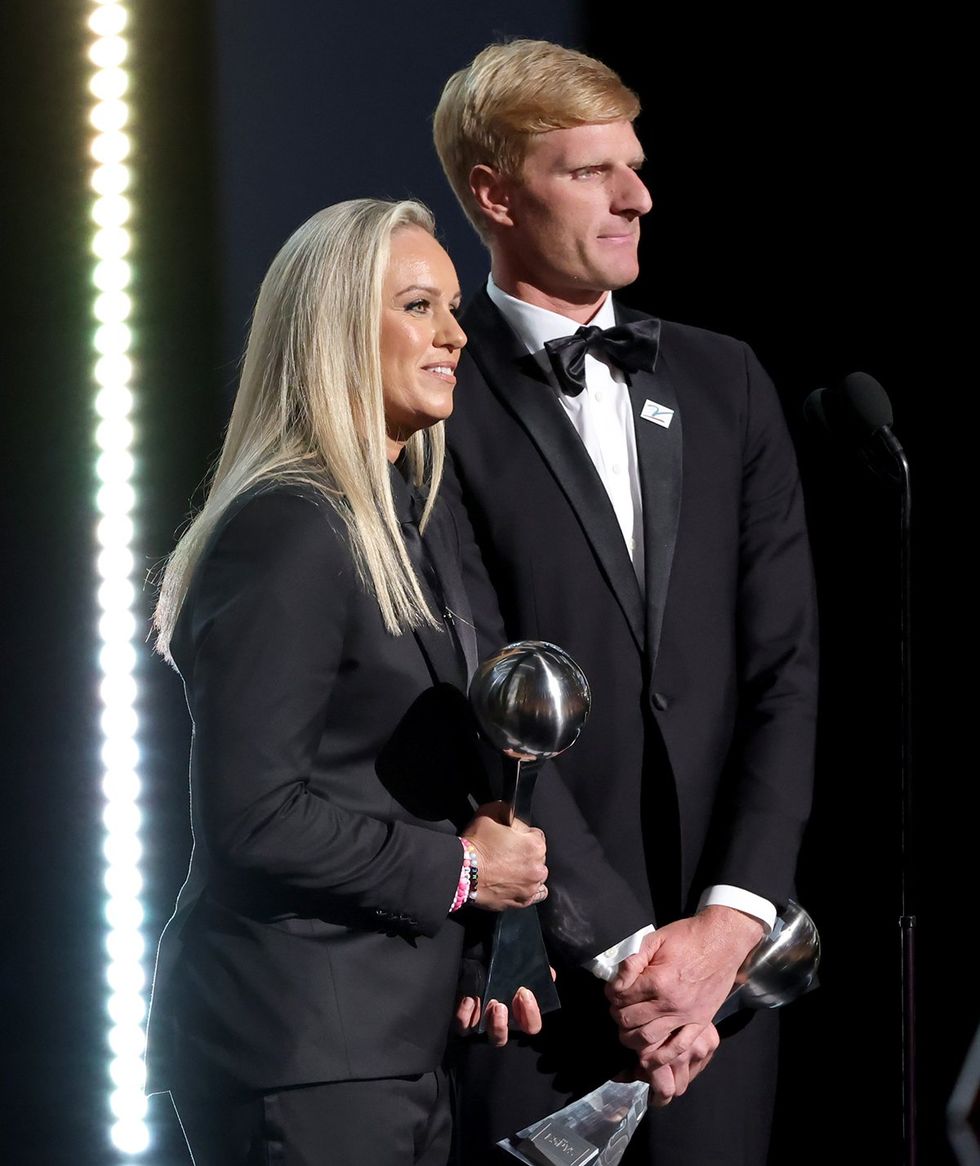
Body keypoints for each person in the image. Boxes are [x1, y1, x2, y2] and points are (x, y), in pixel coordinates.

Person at [433, 41, 819, 1164]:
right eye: (589, 170)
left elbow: (785, 669)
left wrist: (727, 926)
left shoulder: (724, 378)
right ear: (494, 195)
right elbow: (470, 685)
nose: (636, 197)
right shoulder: (436, 393)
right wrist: (627, 953)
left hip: (722, 989)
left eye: (634, 166)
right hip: (538, 983)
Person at [145, 197, 553, 1166]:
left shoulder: (409, 524)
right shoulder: (289, 526)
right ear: (333, 330)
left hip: (390, 1043)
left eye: (452, 306)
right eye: (417, 305)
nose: (454, 333)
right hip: (302, 1046)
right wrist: (461, 873)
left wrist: (495, 936)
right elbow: (254, 814)